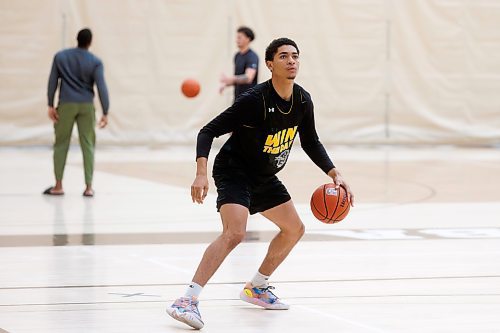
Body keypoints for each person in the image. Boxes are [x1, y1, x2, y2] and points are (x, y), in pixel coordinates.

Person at [166, 37, 354, 330]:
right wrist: (201, 172)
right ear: (270, 64)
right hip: (234, 170)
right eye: (283, 56)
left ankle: (257, 287)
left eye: (295, 56)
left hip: (264, 175)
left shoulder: (302, 100)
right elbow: (208, 131)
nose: (291, 61)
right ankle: (187, 300)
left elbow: (311, 141)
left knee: (294, 229)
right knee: (234, 233)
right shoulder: (254, 101)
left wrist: (333, 172)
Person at [43, 28, 109, 197]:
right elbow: (101, 87)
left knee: (61, 143)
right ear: (90, 42)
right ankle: (88, 187)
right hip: (86, 105)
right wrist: (105, 111)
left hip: (66, 104)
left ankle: (58, 185)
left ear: (77, 39)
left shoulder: (61, 57)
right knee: (87, 144)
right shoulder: (95, 61)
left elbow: (53, 81)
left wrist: (50, 104)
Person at [219, 26, 259, 100]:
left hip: (249, 99)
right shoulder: (237, 56)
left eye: (239, 37)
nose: (237, 40)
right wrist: (226, 83)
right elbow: (238, 79)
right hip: (238, 98)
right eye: (237, 37)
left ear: (248, 39)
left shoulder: (252, 56)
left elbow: (248, 78)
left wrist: (231, 78)